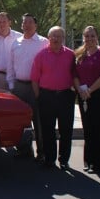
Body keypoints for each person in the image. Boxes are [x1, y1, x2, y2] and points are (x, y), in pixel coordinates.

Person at [31, 26, 76, 170]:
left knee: (66, 130)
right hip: (47, 96)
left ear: (63, 38)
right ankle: (50, 159)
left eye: (59, 36)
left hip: (65, 96)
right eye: (53, 36)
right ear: (48, 38)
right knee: (47, 129)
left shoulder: (70, 55)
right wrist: (39, 96)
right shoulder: (41, 55)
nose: (55, 39)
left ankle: (64, 159)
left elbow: (75, 76)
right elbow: (34, 79)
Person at [6, 13, 49, 159]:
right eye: (25, 22)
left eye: (30, 22)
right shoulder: (16, 42)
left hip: (35, 87)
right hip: (19, 86)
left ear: (35, 25)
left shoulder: (43, 42)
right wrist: (11, 85)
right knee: (21, 120)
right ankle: (24, 149)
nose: (27, 25)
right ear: (21, 25)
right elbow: (10, 65)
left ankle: (42, 152)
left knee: (38, 120)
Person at [73, 25, 100, 174]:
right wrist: (81, 91)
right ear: (83, 38)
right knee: (88, 130)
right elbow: (74, 75)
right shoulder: (79, 54)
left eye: (92, 36)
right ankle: (88, 161)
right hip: (84, 96)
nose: (89, 39)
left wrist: (90, 90)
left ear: (97, 37)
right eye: (86, 36)